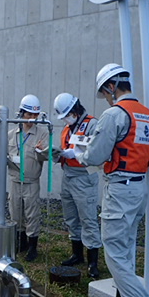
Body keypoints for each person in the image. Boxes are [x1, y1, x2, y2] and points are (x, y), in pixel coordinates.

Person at [74, 63, 149, 297]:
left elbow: (96, 156)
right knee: (127, 247)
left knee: (114, 252)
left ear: (111, 86)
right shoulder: (147, 115)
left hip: (120, 190)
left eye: (105, 92)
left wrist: (80, 152)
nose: (106, 98)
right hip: (138, 188)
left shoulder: (114, 114)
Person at [52, 92, 102, 278]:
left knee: (88, 219)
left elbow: (96, 150)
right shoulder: (67, 129)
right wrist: (57, 154)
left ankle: (93, 262)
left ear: (75, 110)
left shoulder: (92, 125)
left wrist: (75, 155)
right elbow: (65, 150)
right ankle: (77, 254)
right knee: (71, 217)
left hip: (84, 177)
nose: (66, 119)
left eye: (66, 114)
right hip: (68, 176)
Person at [7, 94, 49, 262]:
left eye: (35, 115)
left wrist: (41, 151)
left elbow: (47, 156)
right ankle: (20, 242)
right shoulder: (12, 133)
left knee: (32, 214)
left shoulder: (42, 133)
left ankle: (33, 246)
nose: (32, 118)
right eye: (29, 114)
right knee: (15, 212)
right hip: (15, 180)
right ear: (21, 113)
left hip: (31, 180)